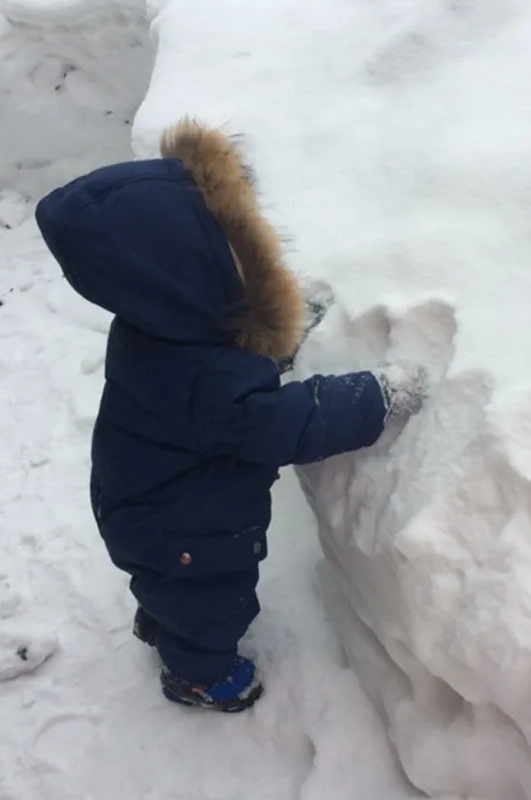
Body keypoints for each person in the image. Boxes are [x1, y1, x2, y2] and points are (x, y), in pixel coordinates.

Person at [35, 118, 428, 713]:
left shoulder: (164, 328)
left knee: (176, 592)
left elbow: (228, 370)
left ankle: (165, 621)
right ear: (190, 274)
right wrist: (376, 395)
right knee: (215, 608)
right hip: (186, 533)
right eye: (233, 251)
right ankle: (195, 673)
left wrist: (283, 329)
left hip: (152, 509)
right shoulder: (201, 379)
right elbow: (283, 420)